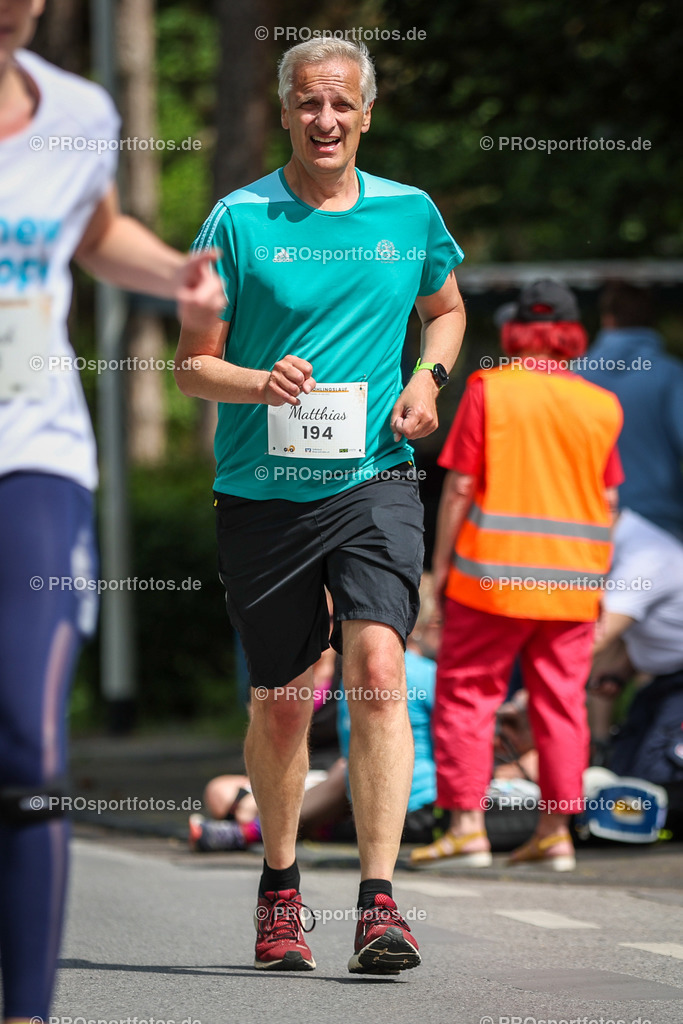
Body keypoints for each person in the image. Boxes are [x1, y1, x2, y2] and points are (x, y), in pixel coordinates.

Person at [174, 38, 465, 974]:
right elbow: (189, 365)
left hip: (376, 477)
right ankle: (280, 889)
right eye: (308, 105)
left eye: (341, 104)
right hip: (264, 493)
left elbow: (447, 309)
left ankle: (379, 904)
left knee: (379, 659)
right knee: (288, 700)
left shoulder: (408, 212)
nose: (325, 120)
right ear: (285, 113)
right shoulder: (236, 220)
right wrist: (259, 383)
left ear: (366, 113)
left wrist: (426, 379)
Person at [0, 4, 224, 1020]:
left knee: (28, 741)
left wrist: (175, 274)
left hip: (32, 451)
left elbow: (88, 230)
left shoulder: (80, 113)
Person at [411, 280, 623, 871]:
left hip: (491, 582)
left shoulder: (489, 389)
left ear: (515, 331)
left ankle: (467, 829)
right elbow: (608, 502)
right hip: (575, 587)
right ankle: (556, 833)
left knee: (467, 696)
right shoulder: (602, 404)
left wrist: (441, 571)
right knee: (561, 707)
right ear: (568, 331)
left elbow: (458, 488)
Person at [579, 281, 683, 542]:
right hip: (658, 523)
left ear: (607, 318)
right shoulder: (670, 375)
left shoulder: (576, 376)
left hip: (586, 521)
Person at [590, 508, 683, 787]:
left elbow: (597, 637)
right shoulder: (628, 545)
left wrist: (531, 694)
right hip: (663, 682)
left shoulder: (644, 558)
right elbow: (661, 631)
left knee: (654, 778)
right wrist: (620, 671)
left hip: (676, 684)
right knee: (623, 770)